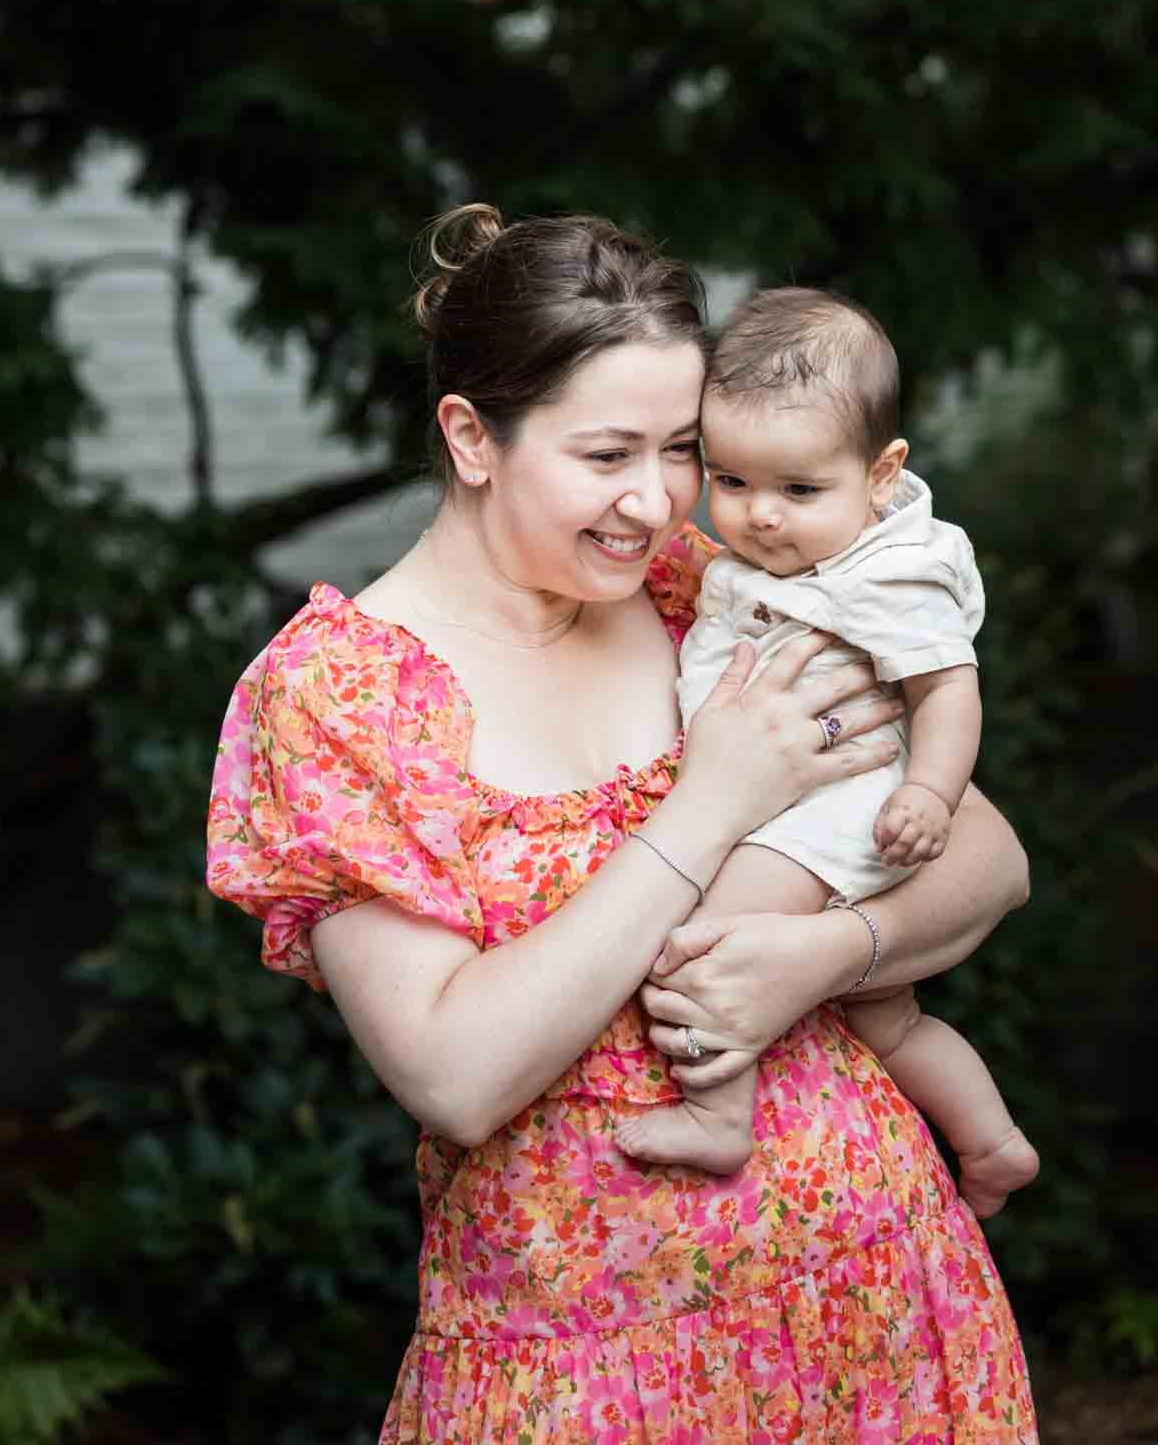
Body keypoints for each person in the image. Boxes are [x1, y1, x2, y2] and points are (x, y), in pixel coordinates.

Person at [206, 204, 1038, 1444]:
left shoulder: (699, 593)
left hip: (873, 1294)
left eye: (681, 449)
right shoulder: (337, 696)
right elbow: (458, 1073)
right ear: (471, 436)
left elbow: (990, 857)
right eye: (606, 456)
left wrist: (821, 956)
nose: (654, 503)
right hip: (588, 1368)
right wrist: (710, 803)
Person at [616, 287, 1040, 1221]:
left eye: (798, 490)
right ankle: (990, 1139)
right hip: (801, 807)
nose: (760, 516)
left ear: (881, 473)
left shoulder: (886, 575)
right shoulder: (777, 560)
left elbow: (947, 686)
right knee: (887, 1019)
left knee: (705, 945)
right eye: (730, 483)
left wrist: (930, 792)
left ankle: (718, 1115)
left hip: (832, 810)